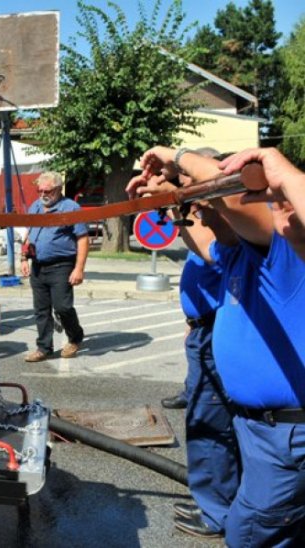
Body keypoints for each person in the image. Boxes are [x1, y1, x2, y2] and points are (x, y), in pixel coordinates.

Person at [138, 145, 305, 547]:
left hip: (284, 432)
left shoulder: (281, 254)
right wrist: (173, 199)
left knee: (249, 534)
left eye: (207, 204)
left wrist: (175, 156)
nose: (205, 214)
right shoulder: (234, 255)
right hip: (262, 427)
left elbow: (229, 199)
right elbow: (203, 236)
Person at [127, 168, 241, 539]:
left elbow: (209, 251)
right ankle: (218, 501)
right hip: (205, 327)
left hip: (211, 331)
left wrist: (174, 203)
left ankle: (217, 513)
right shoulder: (208, 221)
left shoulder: (216, 225)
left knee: (209, 424)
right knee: (211, 421)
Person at [20, 172, 88, 362]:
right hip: (38, 265)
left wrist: (79, 268)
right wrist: (23, 258)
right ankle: (43, 348)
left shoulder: (71, 208)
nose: (43, 194)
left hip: (62, 265)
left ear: (58, 189)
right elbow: (28, 233)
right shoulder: (35, 207)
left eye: (47, 190)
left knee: (63, 307)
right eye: (39, 190)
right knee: (41, 309)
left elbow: (82, 238)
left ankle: (75, 337)